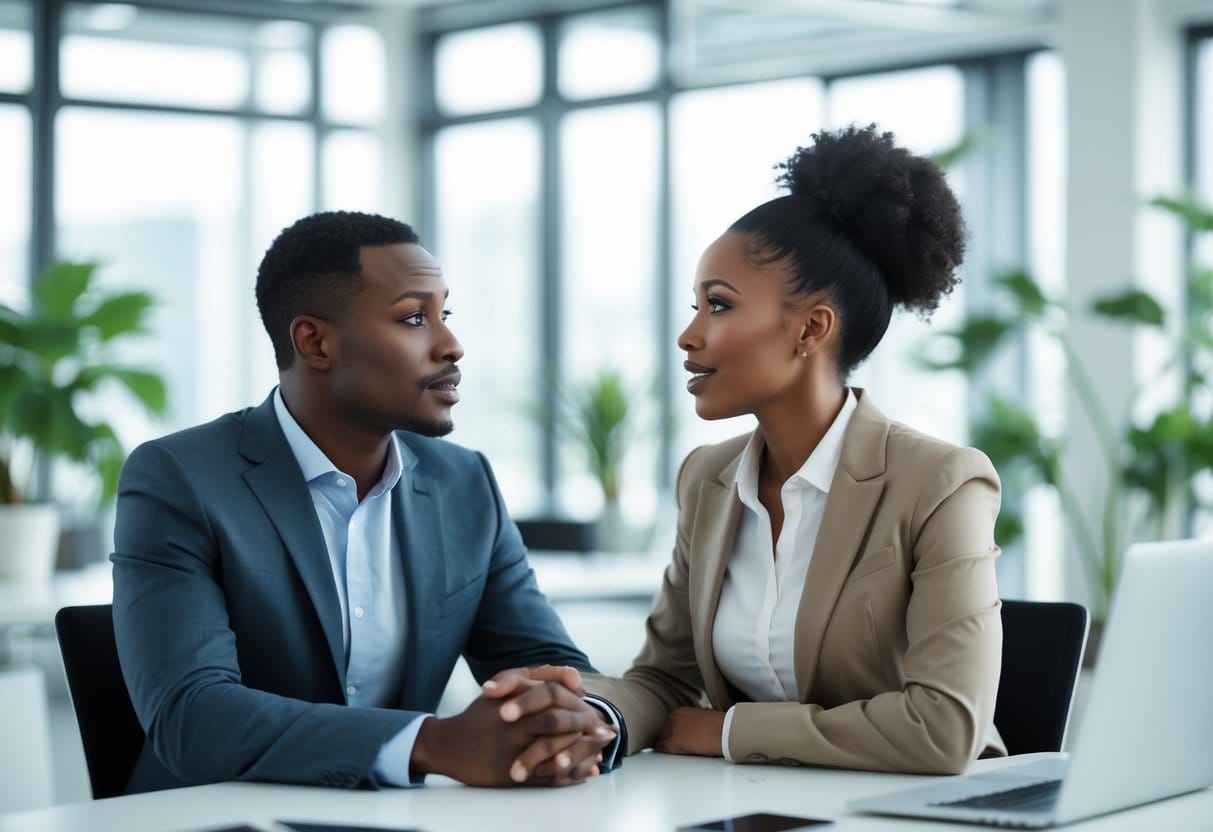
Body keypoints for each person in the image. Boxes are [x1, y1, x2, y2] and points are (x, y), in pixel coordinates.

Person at [488, 124, 1005, 777]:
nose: (688, 334)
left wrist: (729, 732)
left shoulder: (939, 482)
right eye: (695, 305)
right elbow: (665, 681)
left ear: (811, 328)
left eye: (718, 306)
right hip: (757, 808)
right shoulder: (707, 478)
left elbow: (943, 728)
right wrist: (589, 711)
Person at [110, 210, 615, 793]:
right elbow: (192, 715)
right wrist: (432, 743)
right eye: (413, 318)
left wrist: (581, 721)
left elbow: (548, 659)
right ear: (315, 342)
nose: (451, 345)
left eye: (443, 314)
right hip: (212, 817)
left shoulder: (464, 482)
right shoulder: (180, 479)